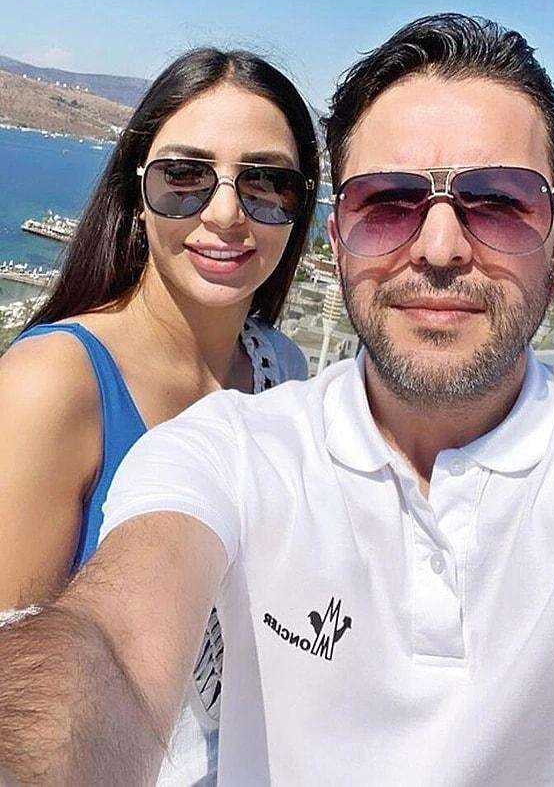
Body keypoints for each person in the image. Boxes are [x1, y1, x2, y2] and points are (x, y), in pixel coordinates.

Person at [1, 13, 554, 785]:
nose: (439, 248)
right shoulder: (192, 429)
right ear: (339, 241)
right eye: (389, 200)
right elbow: (107, 651)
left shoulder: (276, 365)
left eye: (498, 202)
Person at [0, 47, 318, 783]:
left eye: (266, 182)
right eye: (184, 176)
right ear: (135, 193)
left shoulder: (281, 370)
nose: (225, 214)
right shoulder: (53, 384)